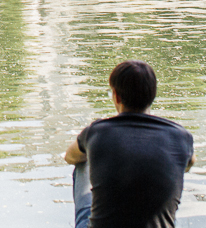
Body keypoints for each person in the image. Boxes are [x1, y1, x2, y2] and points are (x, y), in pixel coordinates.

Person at [65, 60, 194, 228]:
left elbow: (70, 156)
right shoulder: (180, 136)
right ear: (152, 95)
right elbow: (189, 163)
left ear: (116, 96)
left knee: (83, 162)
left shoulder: (96, 132)